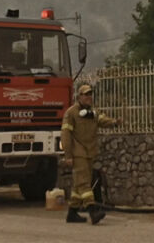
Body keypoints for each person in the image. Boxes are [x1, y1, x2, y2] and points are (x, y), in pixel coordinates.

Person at [61, 83, 121, 225]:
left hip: (89, 152)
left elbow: (102, 120)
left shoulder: (93, 112)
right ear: (79, 96)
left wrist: (115, 122)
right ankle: (93, 211)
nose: (89, 97)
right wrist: (68, 155)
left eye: (90, 94)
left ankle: (72, 213)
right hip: (78, 153)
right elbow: (66, 135)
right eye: (86, 94)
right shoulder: (71, 113)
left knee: (80, 184)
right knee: (84, 183)